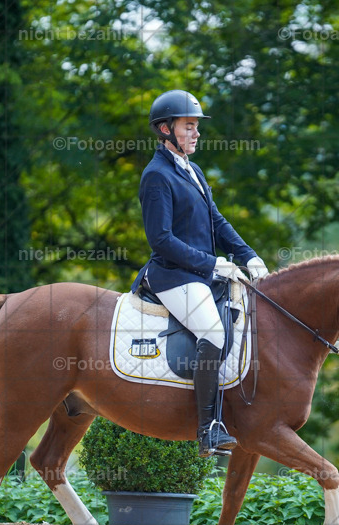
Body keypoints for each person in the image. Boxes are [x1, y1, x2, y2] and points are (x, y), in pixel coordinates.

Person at [131, 90, 268, 456]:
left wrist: (247, 255)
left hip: (201, 275)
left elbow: (216, 221)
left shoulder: (192, 169)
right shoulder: (156, 176)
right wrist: (212, 264)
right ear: (165, 129)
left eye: (196, 127)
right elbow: (161, 240)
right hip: (173, 275)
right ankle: (208, 427)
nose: (196, 133)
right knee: (212, 330)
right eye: (188, 127)